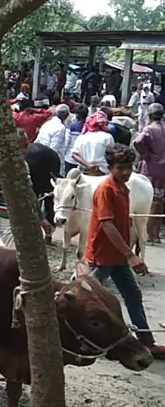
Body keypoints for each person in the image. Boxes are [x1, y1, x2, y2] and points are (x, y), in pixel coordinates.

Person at [83, 143, 165, 359]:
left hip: (118, 256)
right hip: (102, 256)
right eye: (121, 167)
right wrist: (130, 254)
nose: (126, 172)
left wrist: (126, 253)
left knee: (133, 295)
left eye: (129, 167)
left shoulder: (123, 188)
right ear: (110, 167)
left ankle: (146, 340)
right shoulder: (106, 189)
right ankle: (83, 339)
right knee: (87, 298)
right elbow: (107, 224)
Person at [0, 129, 52, 247]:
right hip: (6, 221)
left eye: (26, 146)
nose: (25, 151)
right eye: (22, 147)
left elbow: (30, 193)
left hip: (24, 219)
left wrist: (41, 218)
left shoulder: (24, 165)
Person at [133, 103, 165, 244]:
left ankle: (147, 233)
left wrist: (147, 154)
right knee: (159, 201)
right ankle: (156, 235)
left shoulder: (149, 129)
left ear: (150, 115)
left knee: (149, 202)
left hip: (150, 169)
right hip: (163, 171)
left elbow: (138, 141)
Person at [72, 111, 114, 175]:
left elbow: (74, 155)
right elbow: (112, 155)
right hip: (103, 172)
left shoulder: (81, 137)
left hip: (84, 172)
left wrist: (88, 165)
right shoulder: (108, 137)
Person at [35, 104, 70, 176]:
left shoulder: (47, 124)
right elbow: (54, 149)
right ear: (66, 115)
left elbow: (37, 141)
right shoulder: (60, 128)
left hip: (41, 158)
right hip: (53, 162)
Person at [63, 104, 87, 175]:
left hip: (70, 158)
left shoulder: (71, 126)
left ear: (77, 115)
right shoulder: (89, 127)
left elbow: (66, 142)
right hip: (83, 160)